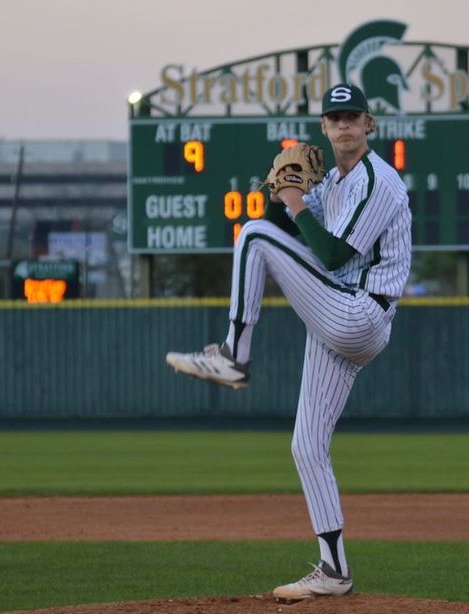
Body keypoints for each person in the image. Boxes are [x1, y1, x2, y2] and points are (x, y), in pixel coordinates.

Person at [165, 83, 412, 601]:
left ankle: (234, 356)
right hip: (339, 315)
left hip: (359, 311)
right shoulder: (334, 181)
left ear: (369, 124)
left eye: (353, 117)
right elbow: (284, 221)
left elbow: (333, 256)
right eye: (335, 118)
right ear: (324, 127)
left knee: (251, 237)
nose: (344, 125)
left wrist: (295, 202)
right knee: (307, 446)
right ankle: (334, 570)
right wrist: (279, 191)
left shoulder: (378, 180)